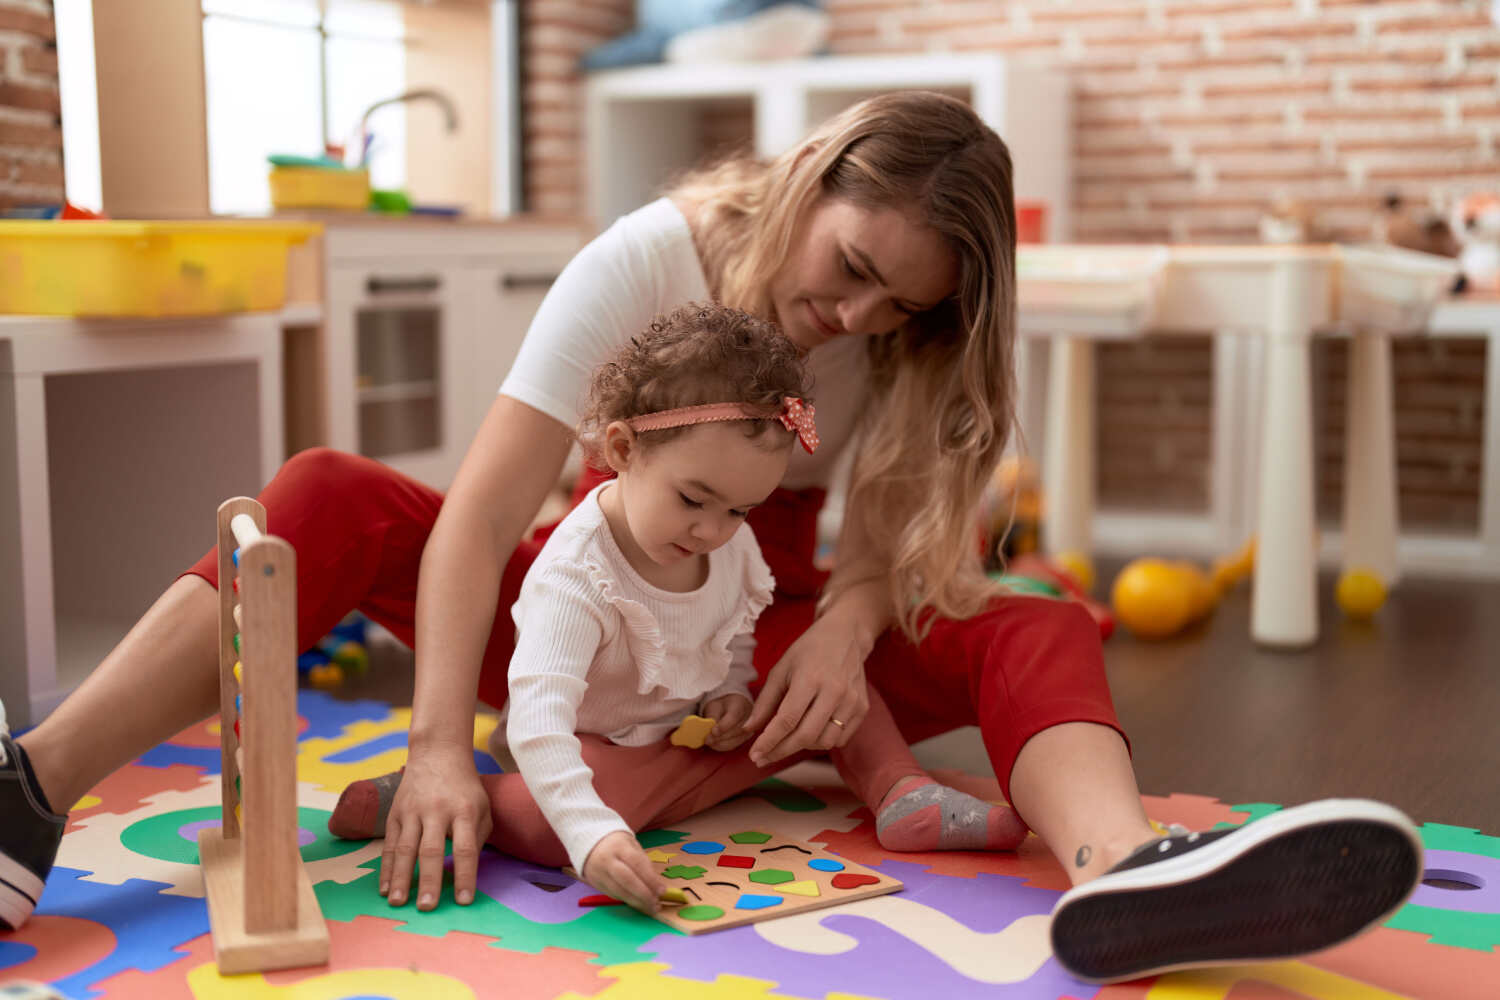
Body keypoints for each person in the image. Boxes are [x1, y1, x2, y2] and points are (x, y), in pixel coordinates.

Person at [1, 90, 1420, 983]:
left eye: (899, 311)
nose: (857, 321)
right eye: (852, 270)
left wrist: (856, 627)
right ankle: (29, 790)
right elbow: (491, 508)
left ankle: (1125, 879)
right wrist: (436, 739)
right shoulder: (646, 258)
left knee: (1038, 616)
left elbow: (882, 545)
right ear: (813, 185)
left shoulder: (903, 347)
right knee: (319, 491)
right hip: (598, 612)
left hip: (773, 651)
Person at [326, 304, 1027, 911]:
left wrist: (726, 693)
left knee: (822, 674)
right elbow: (540, 724)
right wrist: (593, 837)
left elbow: (737, 633)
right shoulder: (577, 577)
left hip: (678, 736)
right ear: (625, 448)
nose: (714, 531)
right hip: (583, 750)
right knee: (556, 828)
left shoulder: (729, 542)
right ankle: (450, 801)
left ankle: (901, 794)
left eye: (740, 508)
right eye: (694, 500)